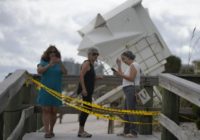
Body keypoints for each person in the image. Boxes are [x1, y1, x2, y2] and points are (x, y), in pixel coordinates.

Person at [37, 45, 67, 138]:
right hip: (46, 90)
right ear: (47, 53)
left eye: (54, 52)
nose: (53, 53)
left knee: (54, 111)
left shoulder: (59, 63)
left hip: (56, 90)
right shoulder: (43, 62)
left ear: (57, 54)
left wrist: (60, 62)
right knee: (46, 110)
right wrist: (49, 64)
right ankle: (46, 132)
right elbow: (39, 71)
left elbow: (65, 72)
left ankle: (51, 130)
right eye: (51, 52)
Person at [114, 50, 140, 138]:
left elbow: (131, 78)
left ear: (129, 57)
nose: (123, 61)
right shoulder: (130, 66)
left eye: (124, 59)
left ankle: (133, 132)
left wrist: (120, 75)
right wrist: (119, 65)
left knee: (130, 111)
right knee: (126, 112)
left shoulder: (134, 65)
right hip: (127, 89)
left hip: (131, 89)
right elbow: (122, 75)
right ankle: (126, 131)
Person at [77, 47, 102, 138]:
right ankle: (81, 131)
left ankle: (81, 130)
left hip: (88, 91)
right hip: (86, 91)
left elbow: (88, 77)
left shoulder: (91, 65)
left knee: (87, 109)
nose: (95, 56)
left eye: (97, 54)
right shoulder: (87, 63)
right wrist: (83, 89)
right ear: (89, 55)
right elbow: (81, 76)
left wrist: (96, 77)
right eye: (94, 54)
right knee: (87, 109)